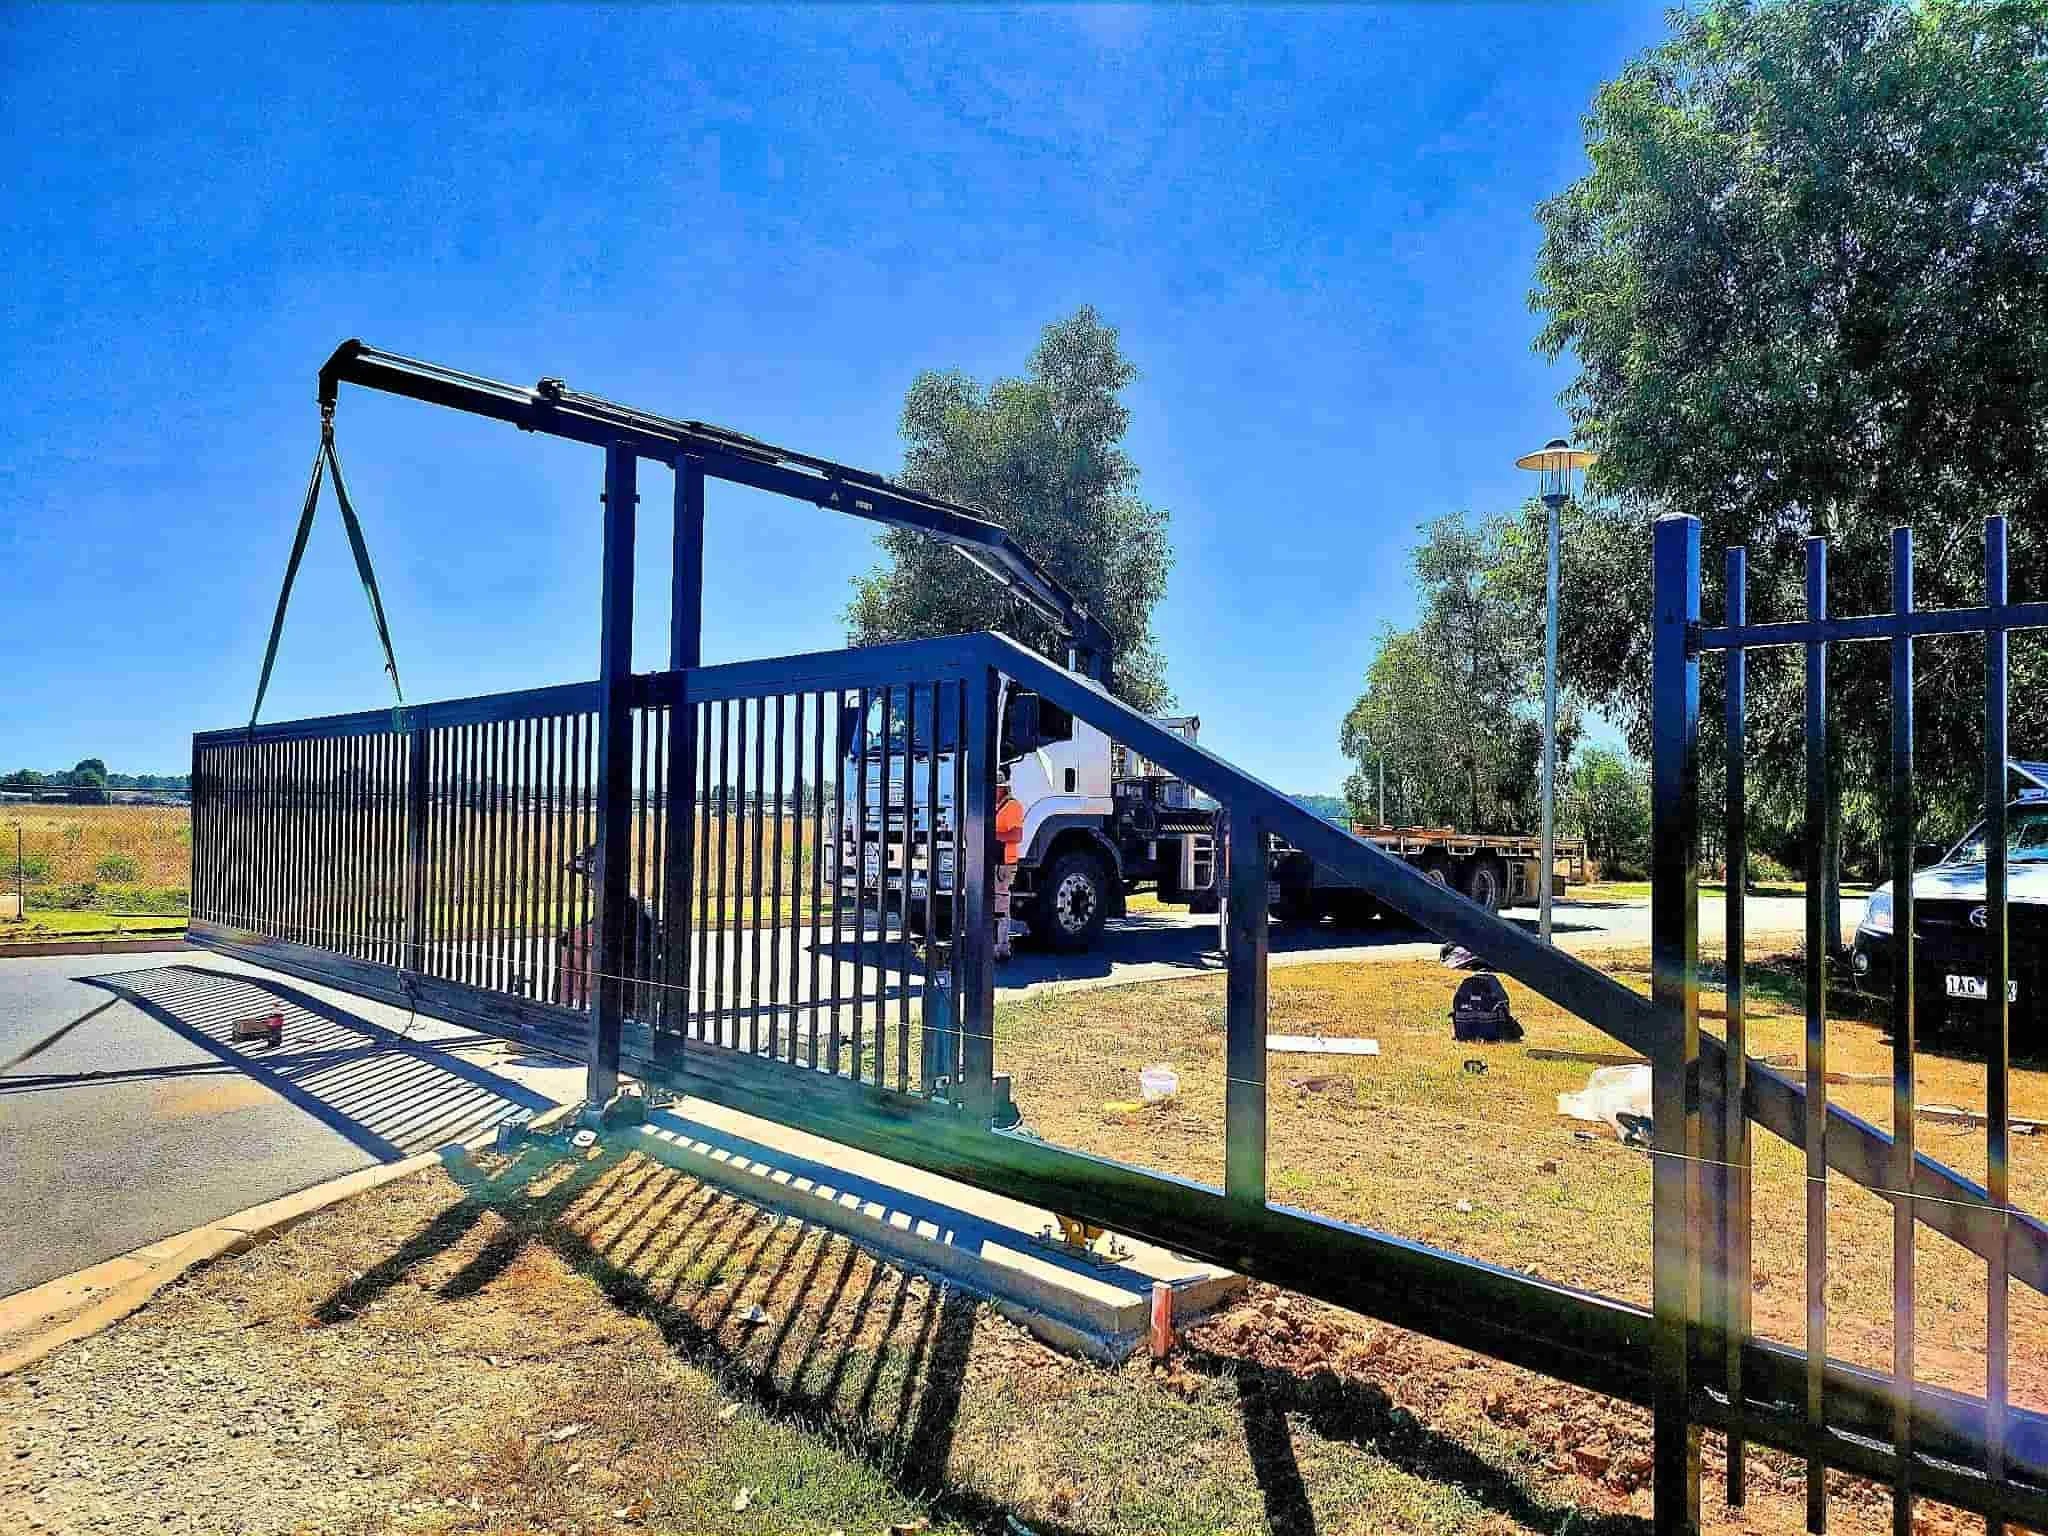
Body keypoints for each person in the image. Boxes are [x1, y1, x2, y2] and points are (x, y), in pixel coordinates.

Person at [994, 787, 1025, 960]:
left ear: (1002, 789)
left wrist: (992, 834)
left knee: (1000, 906)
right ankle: (996, 946)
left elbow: (1016, 834)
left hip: (1004, 864)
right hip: (995, 862)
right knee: (995, 906)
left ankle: (1002, 948)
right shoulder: (997, 806)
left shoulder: (1012, 806)